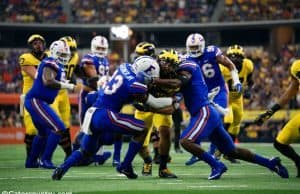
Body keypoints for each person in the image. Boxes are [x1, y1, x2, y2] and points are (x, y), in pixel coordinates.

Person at [139, 53, 289, 180]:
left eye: (167, 66)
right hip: (208, 112)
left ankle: (216, 165)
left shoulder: (187, 68)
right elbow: (171, 105)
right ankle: (270, 163)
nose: (166, 70)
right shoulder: (180, 69)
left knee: (185, 141)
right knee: (231, 151)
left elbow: (177, 82)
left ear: (175, 62)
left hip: (205, 112)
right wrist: (149, 104)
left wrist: (153, 81)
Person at [52, 56, 177, 180]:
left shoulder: (124, 67)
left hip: (93, 114)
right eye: (150, 79)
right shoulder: (136, 85)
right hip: (106, 114)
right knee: (142, 128)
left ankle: (62, 168)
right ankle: (126, 165)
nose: (150, 82)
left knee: (86, 151)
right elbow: (154, 102)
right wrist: (172, 100)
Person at [184, 33, 243, 165]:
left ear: (202, 45)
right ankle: (196, 152)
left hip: (218, 90)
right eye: (191, 47)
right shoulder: (186, 58)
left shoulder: (212, 52)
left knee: (217, 117)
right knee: (196, 120)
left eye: (196, 47)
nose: (193, 50)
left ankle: (214, 151)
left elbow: (230, 65)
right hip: (201, 93)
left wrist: (236, 81)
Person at [24, 40, 82, 169]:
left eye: (65, 55)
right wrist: (70, 86)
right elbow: (48, 81)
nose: (64, 57)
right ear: (55, 53)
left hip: (37, 101)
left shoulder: (55, 64)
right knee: (59, 128)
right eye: (61, 55)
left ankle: (31, 162)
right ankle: (46, 160)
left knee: (43, 132)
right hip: (36, 100)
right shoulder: (51, 62)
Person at [134, 43, 177, 178]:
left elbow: (171, 109)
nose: (167, 66)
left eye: (171, 64)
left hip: (161, 106)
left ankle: (163, 168)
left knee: (165, 131)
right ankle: (148, 161)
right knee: (139, 141)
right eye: (165, 62)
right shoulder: (148, 69)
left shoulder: (178, 78)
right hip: (145, 104)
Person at [253, 55, 300, 178]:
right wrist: (269, 112)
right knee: (279, 143)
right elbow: (289, 93)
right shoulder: (296, 67)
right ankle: (299, 162)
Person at [72, 35, 113, 165]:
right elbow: (92, 75)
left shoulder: (106, 60)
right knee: (85, 127)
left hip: (100, 95)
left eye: (103, 48)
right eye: (98, 47)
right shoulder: (88, 58)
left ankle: (97, 156)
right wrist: (102, 83)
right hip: (88, 94)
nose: (101, 50)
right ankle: (75, 153)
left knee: (99, 126)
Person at [218, 44, 254, 162]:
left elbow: (250, 80)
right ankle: (218, 148)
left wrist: (248, 90)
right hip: (226, 97)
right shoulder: (222, 67)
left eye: (237, 57)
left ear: (243, 58)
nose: (234, 60)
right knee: (228, 120)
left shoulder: (248, 65)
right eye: (232, 57)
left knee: (236, 124)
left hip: (238, 98)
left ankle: (229, 152)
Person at [19, 34, 49, 168]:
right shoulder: (26, 58)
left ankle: (42, 157)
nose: (38, 45)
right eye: (35, 43)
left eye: (40, 42)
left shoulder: (48, 57)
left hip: (43, 98)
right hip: (29, 98)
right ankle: (30, 159)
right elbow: (38, 77)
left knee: (46, 129)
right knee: (31, 129)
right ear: (31, 46)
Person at [50, 36, 80, 160]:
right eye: (69, 49)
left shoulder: (75, 57)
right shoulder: (51, 55)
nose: (71, 52)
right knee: (55, 123)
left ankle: (69, 153)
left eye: (73, 49)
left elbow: (72, 72)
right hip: (51, 91)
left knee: (65, 124)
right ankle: (44, 155)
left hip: (63, 92)